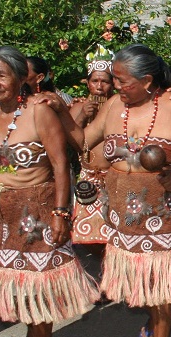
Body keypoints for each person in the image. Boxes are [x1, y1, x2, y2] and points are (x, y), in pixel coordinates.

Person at [41, 43, 171, 337]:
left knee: (160, 281)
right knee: (138, 278)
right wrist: (61, 111)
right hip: (119, 209)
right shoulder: (116, 105)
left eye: (123, 80)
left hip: (161, 209)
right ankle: (153, 318)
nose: (116, 86)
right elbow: (84, 142)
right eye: (115, 79)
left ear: (147, 80)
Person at [0, 45, 99, 337]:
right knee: (13, 281)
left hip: (36, 208)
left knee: (37, 283)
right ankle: (31, 331)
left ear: (20, 78)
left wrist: (59, 212)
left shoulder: (39, 113)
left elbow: (59, 165)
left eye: (2, 75)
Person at [70, 46, 114, 248]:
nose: (99, 86)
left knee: (115, 235)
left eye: (104, 81)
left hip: (114, 177)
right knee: (92, 241)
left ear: (112, 83)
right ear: (87, 83)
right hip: (89, 178)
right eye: (95, 81)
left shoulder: (118, 106)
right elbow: (69, 142)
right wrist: (82, 117)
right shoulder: (78, 107)